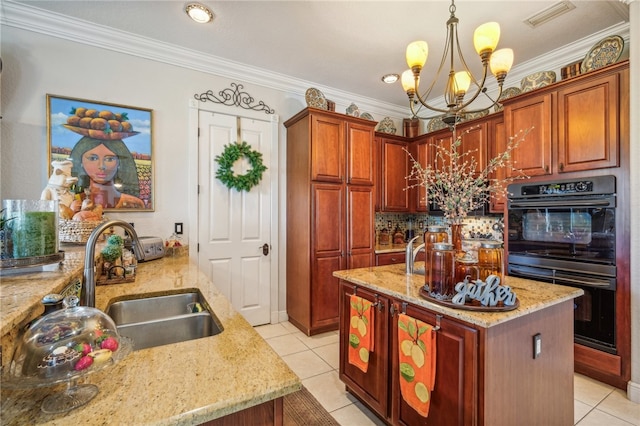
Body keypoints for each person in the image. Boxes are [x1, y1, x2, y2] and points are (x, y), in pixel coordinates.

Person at [69, 136, 145, 209]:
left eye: (109, 159)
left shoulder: (133, 204)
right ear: (81, 162)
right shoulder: (73, 202)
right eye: (93, 158)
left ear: (119, 163)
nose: (102, 166)